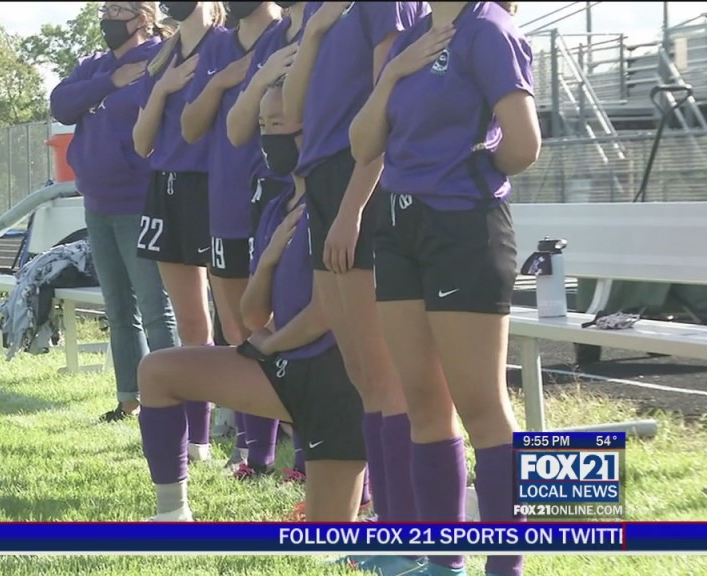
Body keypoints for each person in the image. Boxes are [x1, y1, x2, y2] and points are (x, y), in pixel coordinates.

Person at [349, 2, 539, 575]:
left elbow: (523, 144)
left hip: (463, 228)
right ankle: (442, 563)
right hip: (399, 228)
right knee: (424, 407)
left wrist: (465, 181)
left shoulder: (489, 30)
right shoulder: (411, 38)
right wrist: (395, 73)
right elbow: (363, 145)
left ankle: (504, 567)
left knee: (482, 408)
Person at [138, 80, 366, 522]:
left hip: (334, 382)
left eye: (279, 124)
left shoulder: (338, 204)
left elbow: (326, 311)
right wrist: (268, 263)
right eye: (264, 125)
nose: (269, 137)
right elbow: (252, 316)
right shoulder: (279, 203)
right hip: (284, 369)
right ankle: (171, 516)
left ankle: (487, 514)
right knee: (157, 370)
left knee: (326, 540)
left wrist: (271, 344)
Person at [283, 1, 429, 558]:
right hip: (322, 178)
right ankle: (388, 532)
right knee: (363, 374)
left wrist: (352, 210)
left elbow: (386, 111)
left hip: (359, 184)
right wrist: (316, 28)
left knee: (386, 377)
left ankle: (409, 540)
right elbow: (291, 108)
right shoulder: (320, 10)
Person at [50, 1, 180, 422]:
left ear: (142, 18)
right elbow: (62, 104)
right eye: (104, 10)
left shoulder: (157, 60)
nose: (107, 18)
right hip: (98, 203)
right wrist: (109, 81)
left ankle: (174, 399)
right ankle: (130, 400)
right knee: (119, 310)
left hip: (139, 201)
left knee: (156, 310)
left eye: (117, 10)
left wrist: (121, 81)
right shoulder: (94, 65)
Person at [179, 1, 282, 479]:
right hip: (226, 204)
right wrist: (221, 81)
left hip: (280, 201)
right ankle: (253, 455)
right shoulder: (216, 47)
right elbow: (190, 127)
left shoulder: (291, 31)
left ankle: (305, 454)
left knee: (292, 326)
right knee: (239, 331)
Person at [132, 1, 228, 462]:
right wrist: (162, 89)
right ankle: (199, 437)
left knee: (239, 317)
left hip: (213, 187)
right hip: (166, 190)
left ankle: (256, 433)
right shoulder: (161, 57)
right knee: (190, 320)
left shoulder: (226, 45)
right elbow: (141, 141)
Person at [224, 0, 310, 487]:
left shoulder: (330, 22)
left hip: (319, 192)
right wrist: (261, 81)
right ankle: (259, 454)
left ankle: (314, 462)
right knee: (255, 319)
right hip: (272, 197)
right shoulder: (273, 40)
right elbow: (238, 129)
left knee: (313, 327)